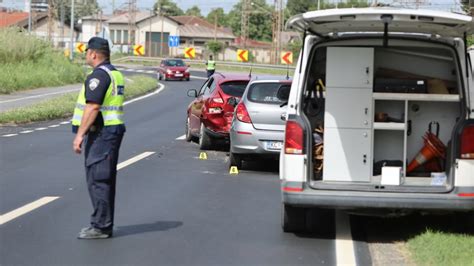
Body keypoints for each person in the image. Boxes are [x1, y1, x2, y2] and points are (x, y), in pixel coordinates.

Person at [72, 37, 126, 239]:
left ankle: (101, 226)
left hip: (103, 134)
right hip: (110, 132)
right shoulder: (114, 73)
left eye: (87, 52)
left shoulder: (99, 76)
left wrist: (79, 135)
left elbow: (93, 106)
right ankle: (103, 223)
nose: (86, 55)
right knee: (104, 178)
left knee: (98, 178)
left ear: (93, 54)